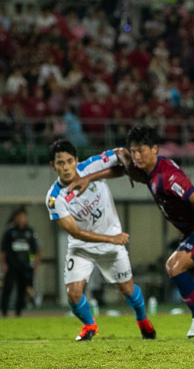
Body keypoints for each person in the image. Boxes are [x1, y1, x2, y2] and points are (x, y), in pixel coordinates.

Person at [73, 125, 194, 339]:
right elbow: (124, 170)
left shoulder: (168, 176)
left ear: (154, 149)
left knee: (174, 266)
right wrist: (92, 177)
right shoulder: (150, 172)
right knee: (189, 281)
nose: (136, 156)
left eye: (141, 150)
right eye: (133, 151)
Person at [46, 139, 155, 341]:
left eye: (69, 161)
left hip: (112, 243)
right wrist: (111, 238)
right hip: (83, 247)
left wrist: (128, 168)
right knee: (73, 294)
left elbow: (122, 152)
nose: (66, 167)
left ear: (76, 160)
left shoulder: (91, 166)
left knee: (127, 290)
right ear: (53, 166)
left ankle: (142, 319)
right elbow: (76, 232)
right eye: (60, 163)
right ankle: (89, 326)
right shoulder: (54, 198)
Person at [0, 207, 41, 317]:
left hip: (25, 267)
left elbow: (37, 250)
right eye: (20, 217)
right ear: (15, 218)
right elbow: (3, 250)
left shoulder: (30, 232)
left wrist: (35, 266)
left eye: (24, 217)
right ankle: (4, 313)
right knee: (7, 289)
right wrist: (3, 264)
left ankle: (18, 313)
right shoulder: (9, 231)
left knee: (22, 290)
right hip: (11, 266)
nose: (22, 219)